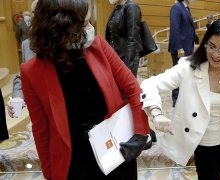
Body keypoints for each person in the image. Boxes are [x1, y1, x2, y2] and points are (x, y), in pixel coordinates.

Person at [21, 0, 150, 179]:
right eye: (84, 23)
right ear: (62, 26)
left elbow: (133, 88)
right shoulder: (31, 72)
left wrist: (140, 133)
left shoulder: (99, 47)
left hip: (113, 150)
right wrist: (50, 174)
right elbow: (41, 131)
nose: (90, 28)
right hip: (73, 160)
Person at [140, 18, 220, 180]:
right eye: (211, 46)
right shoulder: (188, 67)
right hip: (207, 145)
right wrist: (157, 113)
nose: (215, 54)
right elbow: (150, 84)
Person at [105, 0, 156, 148]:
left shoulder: (132, 7)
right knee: (121, 100)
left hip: (125, 63)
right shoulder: (116, 9)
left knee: (129, 98)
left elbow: (133, 41)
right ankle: (139, 131)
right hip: (115, 62)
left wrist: (128, 69)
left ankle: (144, 135)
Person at [7, 0, 38, 118]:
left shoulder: (66, 43)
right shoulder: (26, 45)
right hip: (37, 116)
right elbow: (22, 76)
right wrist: (17, 97)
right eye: (35, 13)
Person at [168, 0, 197, 107]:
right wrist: (179, 47)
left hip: (188, 47)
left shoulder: (186, 8)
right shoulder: (176, 7)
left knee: (186, 74)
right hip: (180, 49)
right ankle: (176, 101)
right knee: (178, 74)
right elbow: (174, 29)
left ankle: (183, 99)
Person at [105, 0, 142, 77]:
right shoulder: (117, 8)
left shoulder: (132, 7)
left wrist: (128, 66)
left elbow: (133, 39)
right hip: (115, 58)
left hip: (126, 59)